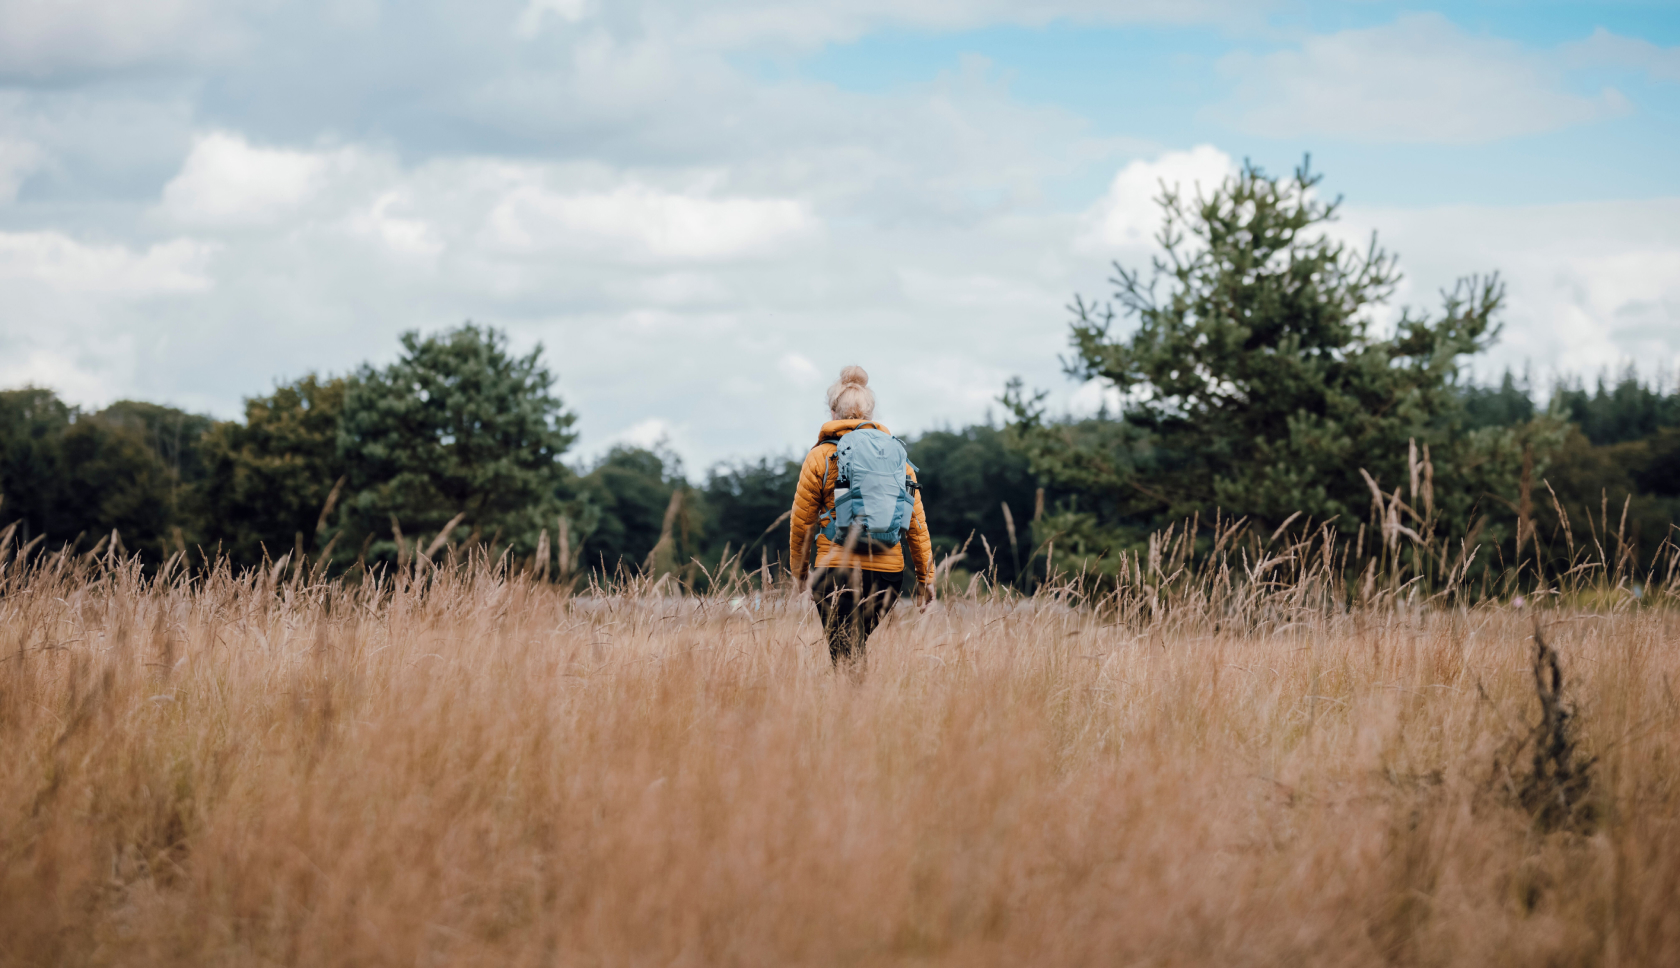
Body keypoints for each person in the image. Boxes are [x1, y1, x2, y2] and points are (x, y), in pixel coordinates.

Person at [788, 365, 935, 672]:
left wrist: (799, 573)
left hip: (834, 572)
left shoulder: (820, 456)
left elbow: (801, 522)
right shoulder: (897, 458)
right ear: (870, 412)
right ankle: (861, 711)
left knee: (845, 653)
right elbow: (916, 526)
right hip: (887, 574)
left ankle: (853, 712)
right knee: (851, 649)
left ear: (833, 412)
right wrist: (925, 579)